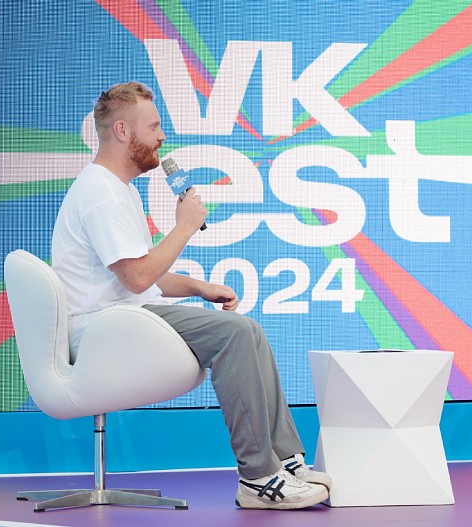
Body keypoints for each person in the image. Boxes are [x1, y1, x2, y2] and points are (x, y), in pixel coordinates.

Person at [51, 81, 332, 510]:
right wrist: (184, 226)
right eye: (154, 126)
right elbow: (137, 278)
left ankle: (285, 461)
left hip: (127, 315)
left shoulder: (118, 189)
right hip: (107, 327)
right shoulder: (100, 194)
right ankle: (257, 477)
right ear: (123, 131)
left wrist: (200, 287)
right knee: (234, 334)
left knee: (249, 330)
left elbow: (144, 272)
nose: (162, 136)